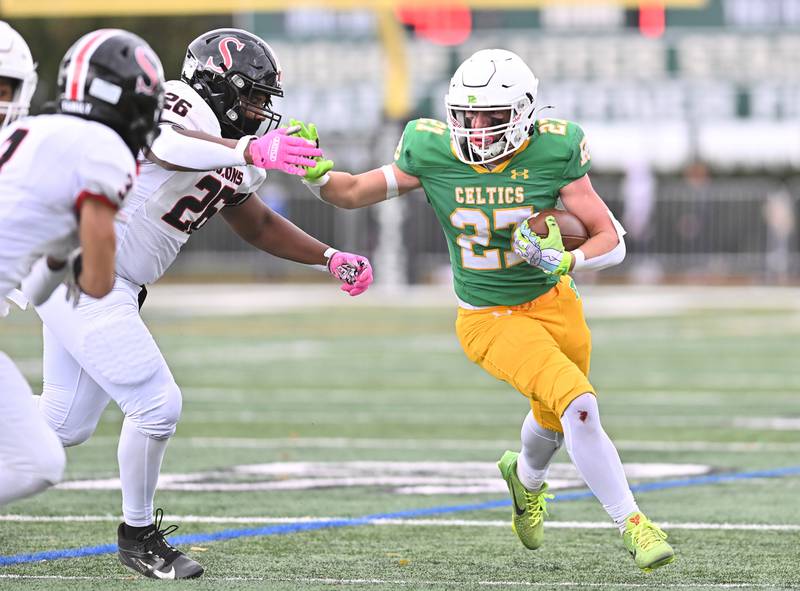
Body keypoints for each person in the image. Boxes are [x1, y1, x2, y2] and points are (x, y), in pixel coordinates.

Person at [298, 49, 674, 572]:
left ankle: (526, 481)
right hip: (488, 317)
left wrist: (569, 258)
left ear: (522, 112)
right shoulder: (429, 149)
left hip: (555, 301)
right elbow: (354, 190)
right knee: (579, 405)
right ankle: (634, 524)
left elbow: (612, 239)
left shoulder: (555, 148)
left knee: (555, 415)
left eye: (490, 116)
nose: (474, 128)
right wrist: (316, 175)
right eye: (465, 115)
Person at [34, 28, 373, 580]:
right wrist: (249, 147)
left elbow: (257, 222)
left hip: (108, 281)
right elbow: (164, 143)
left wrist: (328, 257)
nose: (261, 110)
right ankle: (138, 536)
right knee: (156, 404)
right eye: (253, 95)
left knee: (62, 423)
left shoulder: (238, 150)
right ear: (217, 85)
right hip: (83, 267)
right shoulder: (178, 101)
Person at [0, 26, 165, 506]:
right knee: (38, 462)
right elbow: (96, 283)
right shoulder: (105, 151)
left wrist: (56, 258)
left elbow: (39, 260)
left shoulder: (31, 131)